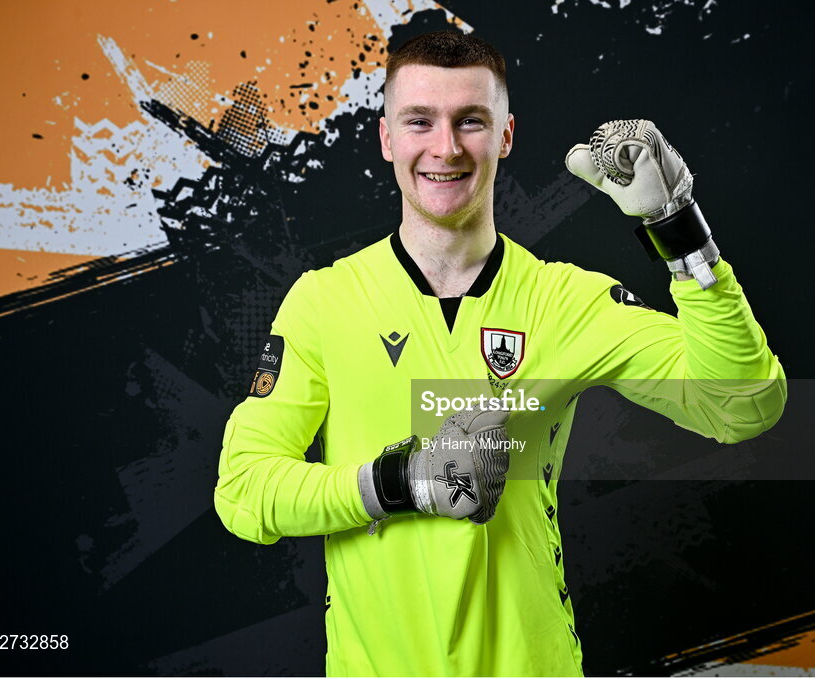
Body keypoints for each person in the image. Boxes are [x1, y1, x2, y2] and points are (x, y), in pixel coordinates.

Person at [214, 30, 786, 677]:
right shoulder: (325, 302)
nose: (446, 147)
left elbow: (741, 406)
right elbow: (243, 491)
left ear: (506, 135)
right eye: (420, 121)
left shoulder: (563, 299)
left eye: (471, 121)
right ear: (387, 139)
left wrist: (678, 230)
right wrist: (402, 482)